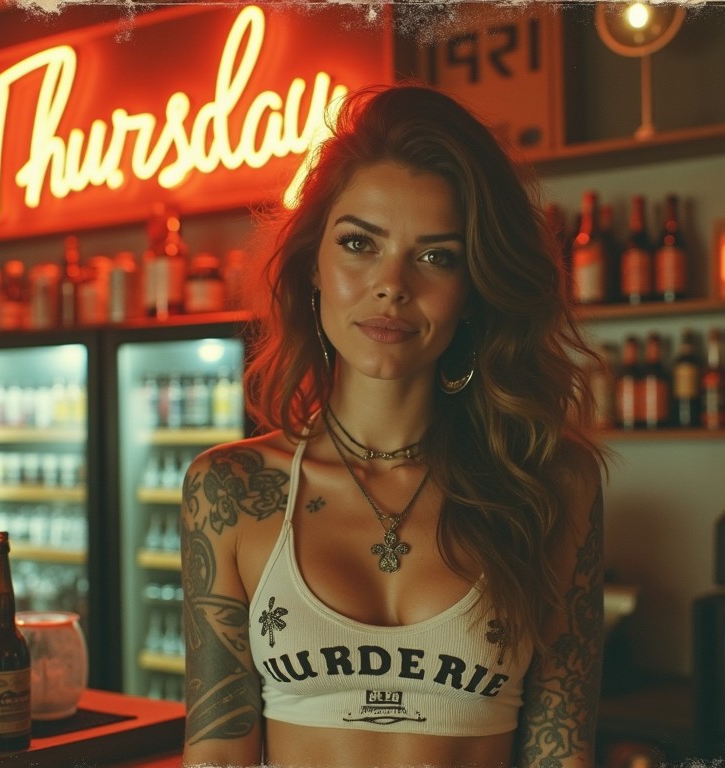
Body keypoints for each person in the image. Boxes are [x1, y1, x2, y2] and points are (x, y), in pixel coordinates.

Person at [180, 83, 605, 768]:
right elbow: (220, 755)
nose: (392, 284)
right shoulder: (228, 489)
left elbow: (562, 755)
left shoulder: (551, 483)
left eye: (437, 256)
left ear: (474, 290)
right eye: (359, 244)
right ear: (314, 264)